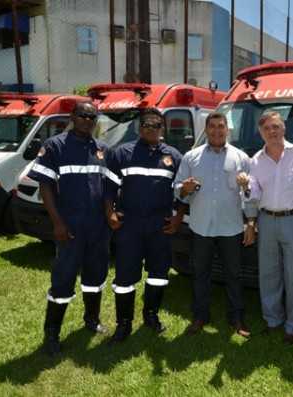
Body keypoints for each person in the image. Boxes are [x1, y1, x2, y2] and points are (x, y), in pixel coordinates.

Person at [28, 101, 115, 355]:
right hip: (69, 227)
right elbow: (45, 187)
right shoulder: (55, 146)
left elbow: (109, 189)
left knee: (95, 277)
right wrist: (57, 223)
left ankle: (91, 320)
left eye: (92, 116)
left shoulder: (102, 149)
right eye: (82, 115)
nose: (87, 120)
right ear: (72, 116)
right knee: (63, 280)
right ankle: (52, 334)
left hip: (98, 228)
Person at [105, 108, 184, 343]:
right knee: (124, 278)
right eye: (147, 125)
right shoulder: (122, 153)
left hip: (160, 226)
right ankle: (124, 323)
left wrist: (178, 216)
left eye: (157, 125)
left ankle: (151, 315)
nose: (152, 129)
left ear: (163, 129)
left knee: (158, 275)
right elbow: (108, 189)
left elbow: (182, 192)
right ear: (140, 128)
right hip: (129, 224)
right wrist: (109, 213)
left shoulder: (174, 157)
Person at [174, 112, 256, 338]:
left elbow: (251, 194)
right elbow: (178, 188)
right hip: (201, 227)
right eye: (212, 127)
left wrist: (250, 218)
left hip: (231, 227)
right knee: (200, 273)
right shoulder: (191, 157)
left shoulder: (241, 158)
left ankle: (236, 318)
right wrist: (184, 189)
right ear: (206, 129)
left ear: (227, 130)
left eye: (221, 127)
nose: (217, 131)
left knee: (234, 274)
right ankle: (200, 315)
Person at [238, 111, 293, 345]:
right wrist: (246, 187)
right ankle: (272, 320)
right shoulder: (255, 160)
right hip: (266, 219)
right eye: (267, 128)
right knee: (268, 274)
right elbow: (254, 194)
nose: (272, 132)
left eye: (276, 127)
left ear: (284, 128)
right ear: (261, 133)